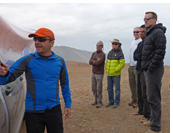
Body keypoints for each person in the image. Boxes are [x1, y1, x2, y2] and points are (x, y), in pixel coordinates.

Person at [0, 28, 72, 133]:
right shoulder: (27, 60)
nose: (37, 42)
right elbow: (6, 79)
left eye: (41, 39)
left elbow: (65, 84)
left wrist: (68, 104)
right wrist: (4, 74)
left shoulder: (59, 61)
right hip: (33, 112)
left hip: (54, 109)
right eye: (35, 39)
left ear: (51, 42)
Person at [141, 12, 166, 133]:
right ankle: (152, 120)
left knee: (154, 98)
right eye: (144, 19)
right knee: (150, 97)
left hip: (154, 70)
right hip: (148, 70)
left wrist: (150, 67)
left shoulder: (158, 33)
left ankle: (156, 128)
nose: (145, 20)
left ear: (155, 20)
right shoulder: (150, 33)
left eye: (148, 18)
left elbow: (160, 52)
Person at [133, 24, 150, 123]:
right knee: (139, 91)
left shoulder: (147, 43)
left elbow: (144, 55)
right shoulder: (140, 44)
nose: (141, 33)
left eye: (143, 31)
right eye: (140, 31)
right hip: (139, 69)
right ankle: (141, 110)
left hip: (145, 70)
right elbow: (136, 55)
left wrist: (140, 55)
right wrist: (140, 55)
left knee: (145, 93)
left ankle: (146, 114)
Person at [105, 38, 125, 108]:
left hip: (116, 75)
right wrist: (107, 70)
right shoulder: (110, 52)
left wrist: (115, 69)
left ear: (118, 45)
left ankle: (116, 102)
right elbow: (107, 62)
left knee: (117, 89)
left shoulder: (120, 53)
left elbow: (122, 64)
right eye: (113, 43)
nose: (114, 45)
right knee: (109, 88)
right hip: (109, 74)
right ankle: (111, 101)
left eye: (115, 44)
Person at [128, 27, 142, 108]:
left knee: (138, 84)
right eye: (134, 32)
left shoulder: (141, 42)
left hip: (137, 66)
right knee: (131, 83)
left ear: (140, 32)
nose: (135, 33)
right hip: (131, 65)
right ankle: (134, 99)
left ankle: (139, 100)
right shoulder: (132, 42)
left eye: (137, 32)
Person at [89, 41, 105, 108]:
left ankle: (99, 102)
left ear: (102, 46)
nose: (98, 46)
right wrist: (95, 61)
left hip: (99, 73)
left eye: (99, 45)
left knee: (99, 88)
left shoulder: (103, 54)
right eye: (97, 45)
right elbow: (90, 62)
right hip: (94, 73)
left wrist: (94, 61)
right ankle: (95, 100)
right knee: (93, 88)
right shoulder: (94, 53)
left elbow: (98, 63)